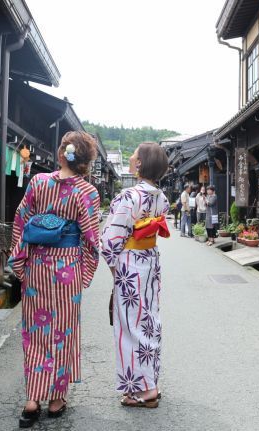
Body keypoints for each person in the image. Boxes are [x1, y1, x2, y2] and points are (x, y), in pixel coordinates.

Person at [9, 131, 101, 428]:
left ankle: (32, 399)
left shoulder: (38, 182)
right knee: (63, 332)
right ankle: (56, 398)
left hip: (37, 265)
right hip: (67, 267)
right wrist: (85, 272)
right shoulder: (87, 192)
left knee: (36, 332)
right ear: (86, 161)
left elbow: (21, 221)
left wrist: (20, 262)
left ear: (61, 153)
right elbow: (91, 238)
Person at [101, 142, 170, 408]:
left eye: (134, 156)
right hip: (150, 261)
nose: (130, 158)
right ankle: (150, 382)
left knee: (131, 326)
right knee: (149, 321)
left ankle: (143, 390)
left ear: (140, 163)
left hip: (129, 264)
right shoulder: (161, 197)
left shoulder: (129, 196)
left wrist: (114, 269)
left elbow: (110, 240)